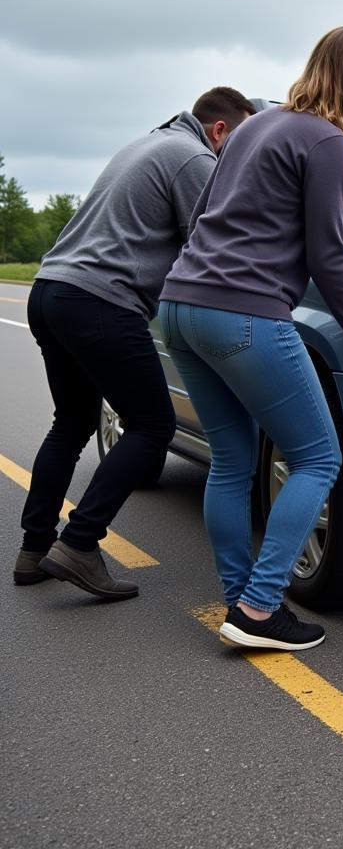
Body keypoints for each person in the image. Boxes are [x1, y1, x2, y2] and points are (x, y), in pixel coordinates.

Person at [159, 27, 343, 653]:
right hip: (242, 314)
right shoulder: (329, 142)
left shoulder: (255, 125)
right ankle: (259, 607)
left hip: (180, 303)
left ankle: (240, 602)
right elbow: (328, 256)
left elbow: (200, 217)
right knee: (317, 457)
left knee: (230, 459)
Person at [14, 87, 255, 598]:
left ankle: (34, 549)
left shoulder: (145, 145)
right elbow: (211, 245)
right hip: (102, 299)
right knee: (152, 425)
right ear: (219, 132)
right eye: (240, 145)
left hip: (52, 289)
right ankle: (80, 544)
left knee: (72, 421)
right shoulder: (193, 157)